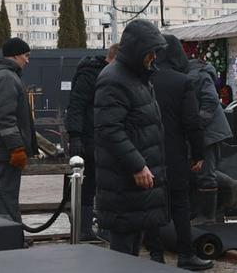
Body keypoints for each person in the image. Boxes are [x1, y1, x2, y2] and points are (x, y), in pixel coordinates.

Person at [95, 19, 169, 259]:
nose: (154, 58)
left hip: (136, 182)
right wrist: (137, 165)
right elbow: (110, 129)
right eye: (150, 52)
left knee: (133, 246)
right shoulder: (114, 79)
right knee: (123, 252)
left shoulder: (136, 77)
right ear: (139, 51)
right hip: (124, 181)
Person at [151, 34, 212, 270]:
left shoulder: (144, 79)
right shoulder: (182, 81)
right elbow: (192, 123)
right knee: (180, 204)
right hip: (176, 153)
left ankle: (156, 255)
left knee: (154, 204)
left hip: (149, 153)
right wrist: (198, 154)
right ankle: (186, 254)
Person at [183, 40, 237, 222]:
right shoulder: (189, 74)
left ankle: (207, 218)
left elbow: (210, 100)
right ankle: (231, 186)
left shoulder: (200, 75)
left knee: (205, 172)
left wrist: (197, 124)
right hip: (200, 129)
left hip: (207, 131)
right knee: (194, 170)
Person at [0, 37, 35, 221]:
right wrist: (16, 148)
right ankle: (6, 236)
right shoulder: (6, 78)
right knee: (5, 194)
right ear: (16, 56)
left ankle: (7, 233)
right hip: (4, 149)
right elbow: (5, 118)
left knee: (3, 191)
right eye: (26, 55)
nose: (28, 60)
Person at [63, 49, 109, 239]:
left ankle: (94, 227)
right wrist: (76, 136)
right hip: (90, 138)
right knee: (88, 185)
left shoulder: (99, 73)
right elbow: (77, 105)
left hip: (100, 137)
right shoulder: (89, 75)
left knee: (100, 184)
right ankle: (83, 229)